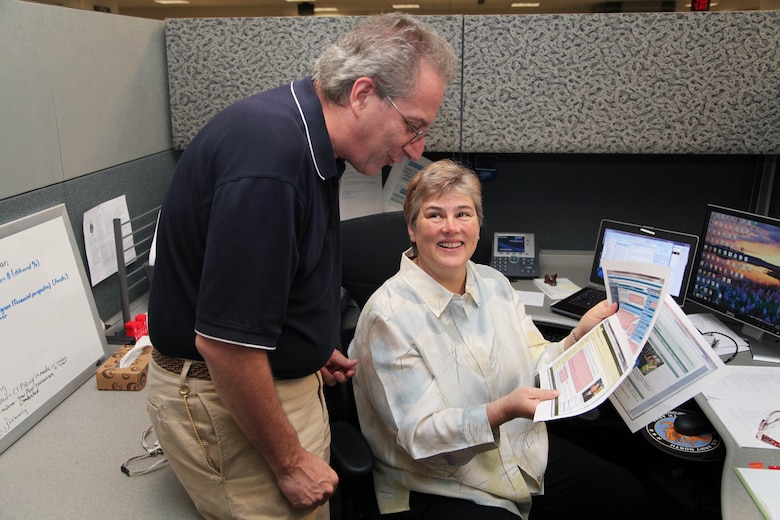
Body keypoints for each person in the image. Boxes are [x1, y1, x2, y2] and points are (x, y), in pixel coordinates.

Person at [145, 14, 458, 520]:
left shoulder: (303, 137)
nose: (416, 150)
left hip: (261, 383)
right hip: (226, 399)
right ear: (362, 95)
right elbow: (226, 346)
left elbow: (261, 288)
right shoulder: (271, 164)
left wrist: (305, 343)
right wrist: (290, 463)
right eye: (413, 126)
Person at [348, 160, 646, 519]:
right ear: (412, 228)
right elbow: (421, 437)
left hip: (519, 452)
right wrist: (501, 411)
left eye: (463, 213)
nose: (451, 228)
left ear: (478, 224)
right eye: (434, 215)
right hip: (437, 480)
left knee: (624, 494)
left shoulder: (494, 284)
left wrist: (576, 337)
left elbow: (536, 361)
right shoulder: (388, 316)